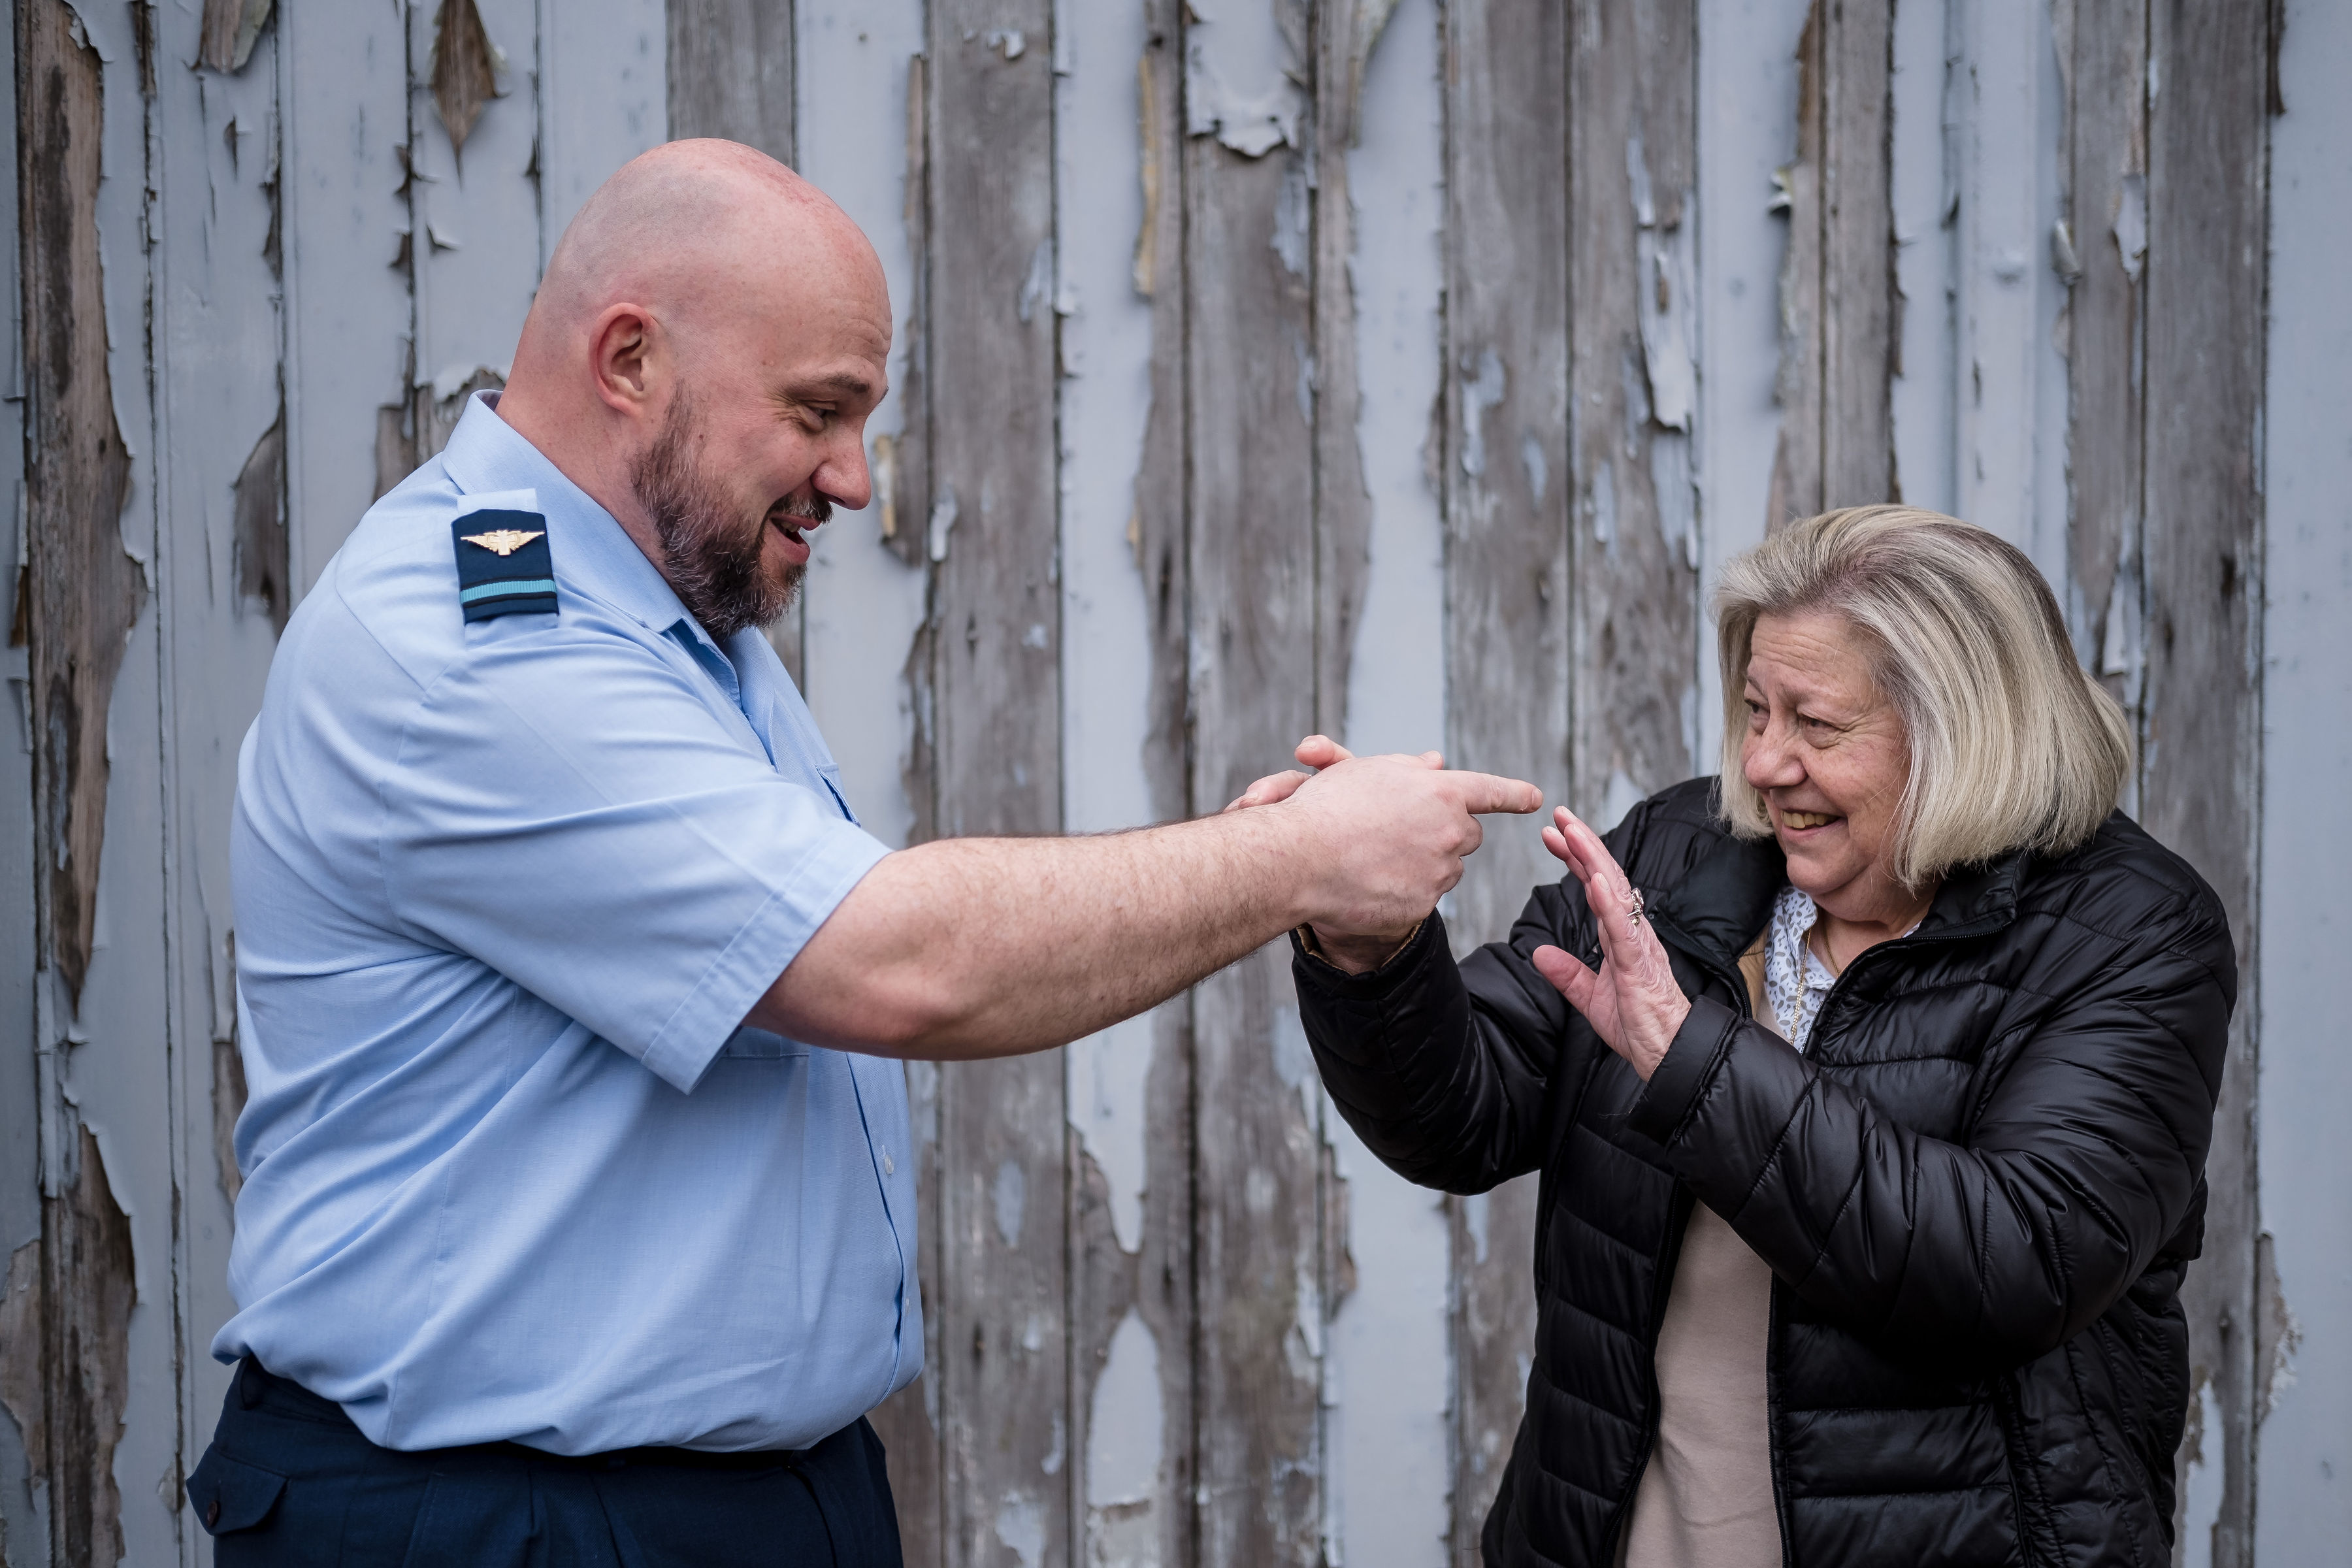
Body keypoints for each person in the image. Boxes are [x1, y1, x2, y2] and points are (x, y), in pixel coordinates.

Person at [184, 139, 1541, 1564]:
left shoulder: (661, 613)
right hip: (506, 1516)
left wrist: (1274, 858)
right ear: (631, 359)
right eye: (817, 412)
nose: (857, 478)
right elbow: (898, 963)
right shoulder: (472, 649)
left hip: (729, 1494)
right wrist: (1299, 864)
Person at [1248, 507, 2232, 1567]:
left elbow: (2015, 1263)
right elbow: (1463, 1117)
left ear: (1963, 734)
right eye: (1756, 709)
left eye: (1816, 726)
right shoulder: (1678, 857)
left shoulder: (2131, 931)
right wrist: (1372, 947)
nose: (1763, 763)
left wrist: (1692, 1058)